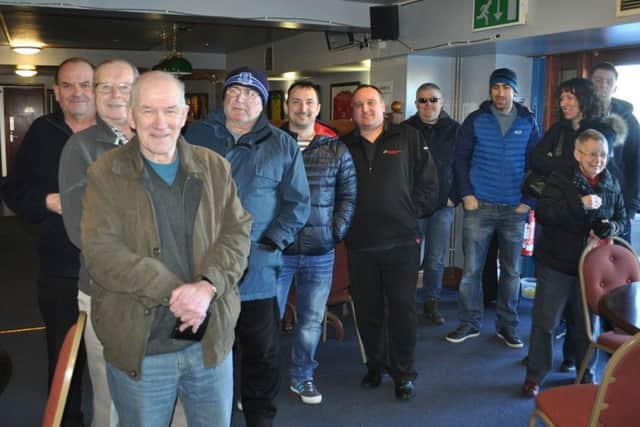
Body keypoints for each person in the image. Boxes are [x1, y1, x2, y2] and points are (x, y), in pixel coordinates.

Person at [80, 71, 252, 427]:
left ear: (186, 114)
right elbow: (101, 252)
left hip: (210, 343)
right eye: (147, 111)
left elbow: (237, 233)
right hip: (142, 347)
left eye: (171, 111)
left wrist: (207, 287)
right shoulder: (105, 172)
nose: (161, 123)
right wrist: (175, 293)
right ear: (130, 116)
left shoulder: (214, 167)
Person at [185, 67, 310, 426]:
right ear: (223, 98)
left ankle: (260, 418)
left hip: (257, 269)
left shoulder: (282, 144)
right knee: (204, 352)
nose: (241, 99)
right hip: (202, 266)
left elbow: (298, 203)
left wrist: (273, 242)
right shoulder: (196, 135)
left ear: (264, 102)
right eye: (234, 92)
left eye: (251, 94)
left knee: (262, 353)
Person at [3, 57, 96, 426]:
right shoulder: (42, 132)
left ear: (97, 89)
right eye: (68, 86)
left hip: (115, 269)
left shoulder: (120, 131)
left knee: (120, 359)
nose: (77, 93)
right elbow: (14, 190)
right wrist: (46, 201)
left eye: (85, 85)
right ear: (56, 92)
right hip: (61, 267)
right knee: (64, 357)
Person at [343, 84, 439, 401]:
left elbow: (429, 183)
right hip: (361, 244)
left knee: (402, 310)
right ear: (353, 112)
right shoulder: (344, 146)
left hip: (401, 243)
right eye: (358, 105)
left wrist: (411, 214)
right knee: (368, 311)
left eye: (371, 103)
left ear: (382, 107)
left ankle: (404, 373)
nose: (365, 109)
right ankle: (375, 365)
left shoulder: (408, 137)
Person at [527, 77, 627, 372]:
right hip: (557, 259)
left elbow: (620, 217)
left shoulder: (609, 180)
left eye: (602, 155)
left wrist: (610, 228)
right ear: (577, 153)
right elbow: (537, 168)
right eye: (590, 154)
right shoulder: (561, 176)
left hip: (591, 264)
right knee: (545, 321)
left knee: (585, 326)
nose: (597, 160)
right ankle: (536, 374)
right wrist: (576, 195)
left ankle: (582, 371)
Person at [275, 80, 357, 405]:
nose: (303, 108)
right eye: (296, 102)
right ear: (286, 106)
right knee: (267, 320)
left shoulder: (336, 147)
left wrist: (334, 231)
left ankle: (302, 377)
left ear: (318, 108)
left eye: (309, 102)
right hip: (278, 251)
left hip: (319, 252)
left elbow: (349, 195)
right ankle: (259, 384)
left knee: (310, 322)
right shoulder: (272, 143)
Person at [447, 68, 540, 348]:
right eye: (496, 87)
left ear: (515, 90)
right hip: (480, 206)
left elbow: (537, 167)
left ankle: (507, 325)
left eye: (506, 87)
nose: (500, 93)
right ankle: (469, 322)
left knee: (511, 272)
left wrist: (529, 201)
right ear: (490, 90)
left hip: (515, 209)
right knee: (472, 270)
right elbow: (459, 160)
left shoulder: (528, 121)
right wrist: (466, 194)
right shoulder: (476, 120)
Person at [404, 82, 461, 325]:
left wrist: (455, 196)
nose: (428, 105)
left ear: (442, 102)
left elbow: (464, 166)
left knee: (436, 259)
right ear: (416, 104)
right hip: (412, 206)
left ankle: (431, 302)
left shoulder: (455, 130)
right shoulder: (405, 130)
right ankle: (404, 303)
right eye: (423, 100)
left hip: (442, 206)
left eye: (433, 100)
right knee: (409, 256)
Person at [590, 61, 640, 240]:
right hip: (586, 200)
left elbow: (636, 163)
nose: (603, 85)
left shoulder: (628, 120)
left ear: (615, 87)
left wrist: (632, 205)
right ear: (590, 83)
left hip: (618, 203)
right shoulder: (581, 115)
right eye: (598, 80)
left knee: (615, 260)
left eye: (608, 82)